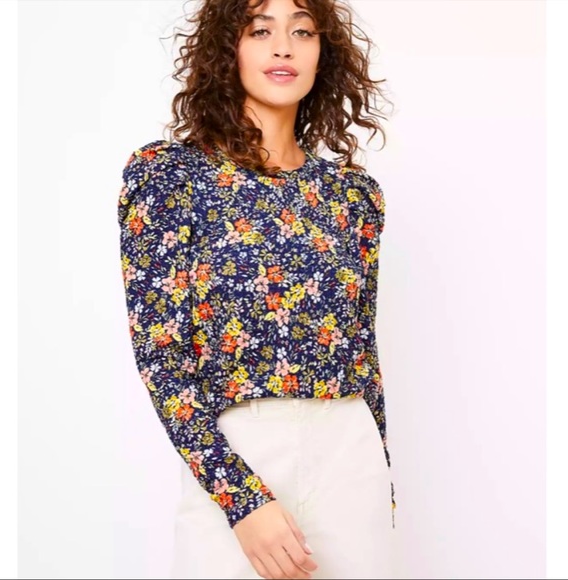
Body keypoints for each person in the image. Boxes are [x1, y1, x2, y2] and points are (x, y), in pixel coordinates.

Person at [117, 0, 396, 578]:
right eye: (260, 30)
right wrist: (240, 498)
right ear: (228, 50)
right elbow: (161, 355)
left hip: (349, 455)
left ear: (323, 54)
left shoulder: (352, 194)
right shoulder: (169, 176)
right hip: (237, 447)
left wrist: (381, 477)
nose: (283, 46)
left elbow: (362, 351)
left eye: (303, 31)